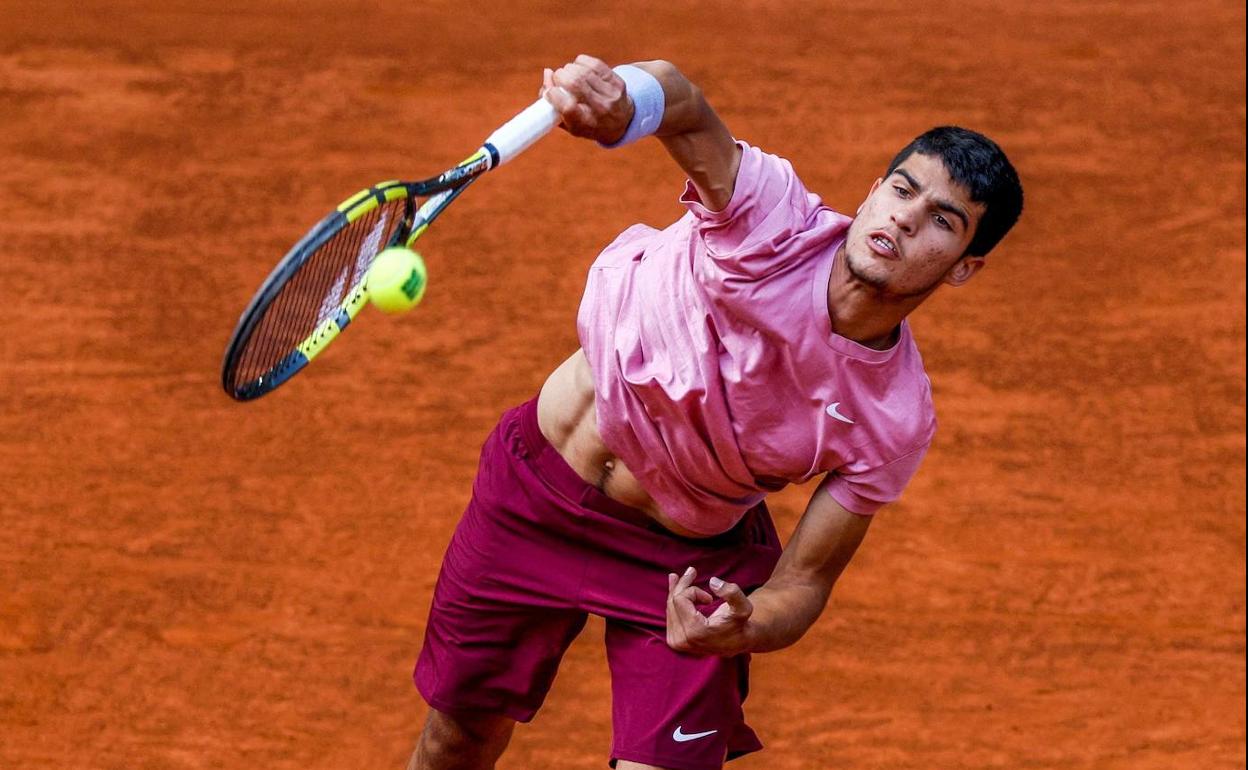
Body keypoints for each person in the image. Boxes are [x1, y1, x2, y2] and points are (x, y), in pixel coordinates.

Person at [406, 55, 1023, 770]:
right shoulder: (773, 218)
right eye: (902, 190)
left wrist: (745, 623)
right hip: (532, 499)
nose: (904, 219)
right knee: (457, 740)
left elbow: (805, 581)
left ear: (964, 266)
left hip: (683, 563)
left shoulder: (894, 416)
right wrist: (624, 99)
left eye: (941, 220)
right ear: (874, 189)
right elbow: (682, 102)